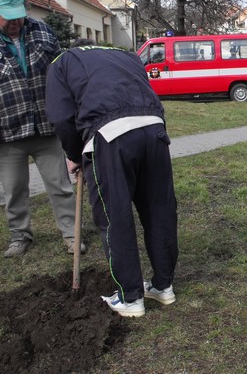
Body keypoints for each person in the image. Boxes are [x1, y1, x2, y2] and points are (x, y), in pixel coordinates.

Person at [45, 40, 179, 317]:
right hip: (154, 130)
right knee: (159, 211)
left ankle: (131, 298)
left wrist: (75, 154)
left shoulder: (61, 62)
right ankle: (163, 286)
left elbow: (60, 118)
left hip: (110, 136)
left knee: (115, 217)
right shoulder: (126, 55)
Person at [0, 0, 82, 258]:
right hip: (7, 130)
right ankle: (20, 236)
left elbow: (61, 72)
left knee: (60, 185)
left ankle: (72, 234)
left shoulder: (42, 31)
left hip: (46, 126)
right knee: (13, 190)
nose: (14, 21)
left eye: (18, 14)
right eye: (7, 16)